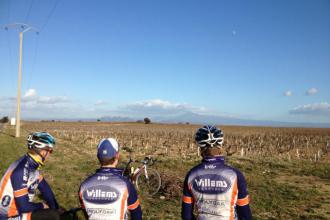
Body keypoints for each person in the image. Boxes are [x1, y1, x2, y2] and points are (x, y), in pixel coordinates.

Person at [182, 125, 252, 220]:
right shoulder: (235, 175)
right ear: (220, 146)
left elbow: (186, 215)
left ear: (200, 148)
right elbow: (245, 214)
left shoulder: (191, 174)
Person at [0, 132, 61, 220]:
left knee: (54, 212)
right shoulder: (20, 171)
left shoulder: (32, 166)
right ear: (43, 152)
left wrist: (55, 207)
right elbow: (24, 207)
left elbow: (45, 188)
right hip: (7, 217)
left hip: (17, 212)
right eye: (50, 151)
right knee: (52, 216)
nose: (50, 154)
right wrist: (43, 205)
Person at [79, 138, 142, 220]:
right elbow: (136, 214)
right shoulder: (126, 184)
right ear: (117, 156)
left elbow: (86, 214)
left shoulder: (83, 185)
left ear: (98, 156)